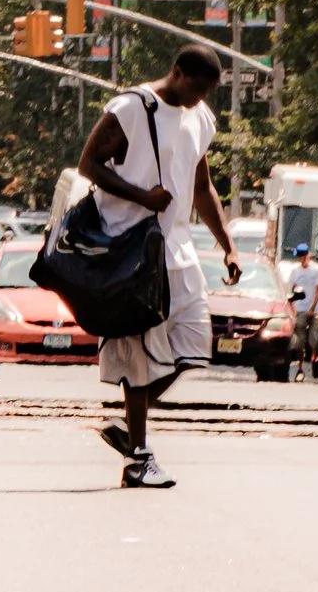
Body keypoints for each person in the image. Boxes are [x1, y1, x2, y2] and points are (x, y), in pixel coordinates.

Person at [74, 46, 242, 490]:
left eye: (207, 92)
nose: (200, 97)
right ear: (178, 72)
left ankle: (132, 431)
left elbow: (202, 186)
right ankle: (139, 458)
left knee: (194, 346)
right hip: (132, 252)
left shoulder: (200, 118)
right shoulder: (131, 108)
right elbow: (87, 165)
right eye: (197, 87)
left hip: (179, 250)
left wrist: (228, 246)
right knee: (141, 355)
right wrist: (140, 196)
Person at [287, 244, 318, 382]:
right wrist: (292, 306)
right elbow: (291, 290)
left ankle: (315, 357)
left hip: (315, 310)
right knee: (300, 341)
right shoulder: (295, 271)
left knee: (315, 338)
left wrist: (312, 308)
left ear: (307, 256)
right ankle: (300, 369)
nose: (300, 259)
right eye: (298, 257)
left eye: (301, 256)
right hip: (300, 309)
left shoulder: (317, 271)